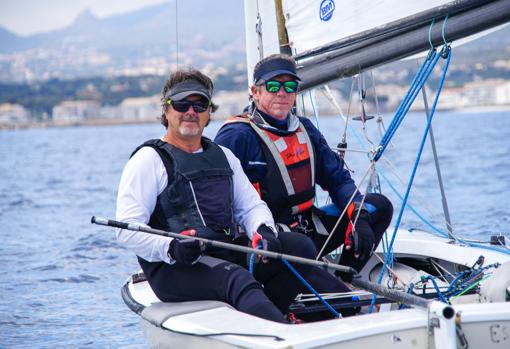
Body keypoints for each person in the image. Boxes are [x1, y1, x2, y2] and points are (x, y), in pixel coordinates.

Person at [116, 68, 352, 324]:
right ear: (166, 110)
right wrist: (171, 247)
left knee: (298, 247)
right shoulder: (148, 160)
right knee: (236, 279)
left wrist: (264, 230)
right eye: (182, 104)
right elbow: (127, 230)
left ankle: (353, 315)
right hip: (174, 267)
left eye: (200, 104)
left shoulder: (224, 156)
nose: (191, 112)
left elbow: (251, 207)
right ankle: (285, 334)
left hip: (222, 252)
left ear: (209, 112)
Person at [215, 54, 393, 282]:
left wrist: (359, 215)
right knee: (302, 248)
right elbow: (216, 198)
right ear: (255, 91)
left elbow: (337, 180)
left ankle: (344, 279)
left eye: (289, 86)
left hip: (309, 229)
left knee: (377, 207)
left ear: (296, 93)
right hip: (267, 240)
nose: (282, 93)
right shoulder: (237, 136)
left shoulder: (305, 129)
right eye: (272, 86)